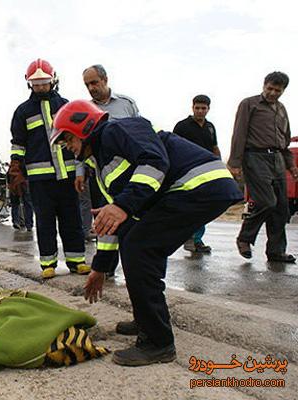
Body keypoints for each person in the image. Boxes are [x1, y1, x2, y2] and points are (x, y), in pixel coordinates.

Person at [50, 100, 242, 366]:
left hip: (200, 185)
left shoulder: (117, 130)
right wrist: (100, 268)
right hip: (189, 189)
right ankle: (146, 320)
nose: (68, 148)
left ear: (83, 127)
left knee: (140, 249)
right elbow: (115, 223)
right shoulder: (102, 165)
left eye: (67, 139)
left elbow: (154, 161)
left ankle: (158, 342)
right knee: (133, 239)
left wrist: (122, 206)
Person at [9, 58, 90, 279]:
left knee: (71, 219)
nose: (40, 87)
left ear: (53, 80)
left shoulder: (66, 105)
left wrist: (82, 169)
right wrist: (15, 169)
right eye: (36, 84)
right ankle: (48, 263)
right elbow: (18, 144)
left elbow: (79, 138)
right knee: (44, 222)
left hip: (68, 176)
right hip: (39, 179)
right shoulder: (22, 111)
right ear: (28, 84)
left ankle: (76, 260)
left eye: (44, 83)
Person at [229, 71, 298, 263]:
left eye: (278, 90)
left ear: (283, 91)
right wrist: (235, 162)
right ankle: (245, 238)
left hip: (277, 159)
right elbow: (239, 133)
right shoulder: (249, 104)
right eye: (270, 88)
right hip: (254, 157)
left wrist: (291, 165)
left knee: (281, 209)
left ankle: (276, 252)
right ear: (264, 85)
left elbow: (284, 140)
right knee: (267, 201)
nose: (273, 93)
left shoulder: (282, 109)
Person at [81, 64, 141, 273]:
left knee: (129, 217)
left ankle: (132, 265)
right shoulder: (85, 111)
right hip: (101, 177)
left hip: (129, 175)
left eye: (94, 83)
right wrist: (80, 173)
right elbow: (81, 145)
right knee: (103, 219)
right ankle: (107, 267)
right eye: (87, 84)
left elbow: (141, 133)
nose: (91, 88)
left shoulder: (126, 104)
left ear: (105, 80)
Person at [174, 95, 221, 253]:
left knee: (203, 206)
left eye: (203, 108)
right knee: (190, 204)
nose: (200, 111)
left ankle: (197, 240)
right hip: (187, 171)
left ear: (208, 109)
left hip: (207, 171)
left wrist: (220, 165)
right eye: (197, 108)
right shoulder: (182, 126)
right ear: (192, 107)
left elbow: (214, 147)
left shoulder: (210, 127)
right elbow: (173, 147)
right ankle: (186, 236)